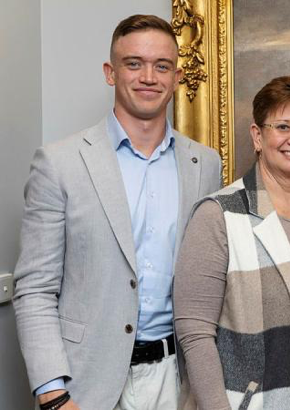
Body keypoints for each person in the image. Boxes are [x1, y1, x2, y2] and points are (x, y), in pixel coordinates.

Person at [12, 14, 221, 410]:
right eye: (134, 64)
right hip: (84, 385)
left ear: (177, 78)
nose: (149, 77)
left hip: (177, 383)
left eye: (162, 66)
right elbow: (35, 288)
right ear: (111, 73)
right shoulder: (60, 163)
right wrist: (53, 395)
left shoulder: (205, 165)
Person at [174, 75, 290, 410]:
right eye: (283, 127)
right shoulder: (218, 215)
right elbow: (194, 331)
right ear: (258, 136)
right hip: (248, 400)